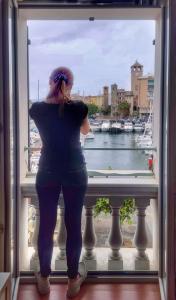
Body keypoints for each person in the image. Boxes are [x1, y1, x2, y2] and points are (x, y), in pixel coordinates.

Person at [29, 66, 90, 298]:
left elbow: (49, 133)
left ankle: (44, 278)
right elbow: (85, 131)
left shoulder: (37, 109)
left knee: (46, 224)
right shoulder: (79, 108)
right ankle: (73, 281)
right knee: (73, 225)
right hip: (75, 171)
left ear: (49, 82)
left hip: (47, 171)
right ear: (70, 84)